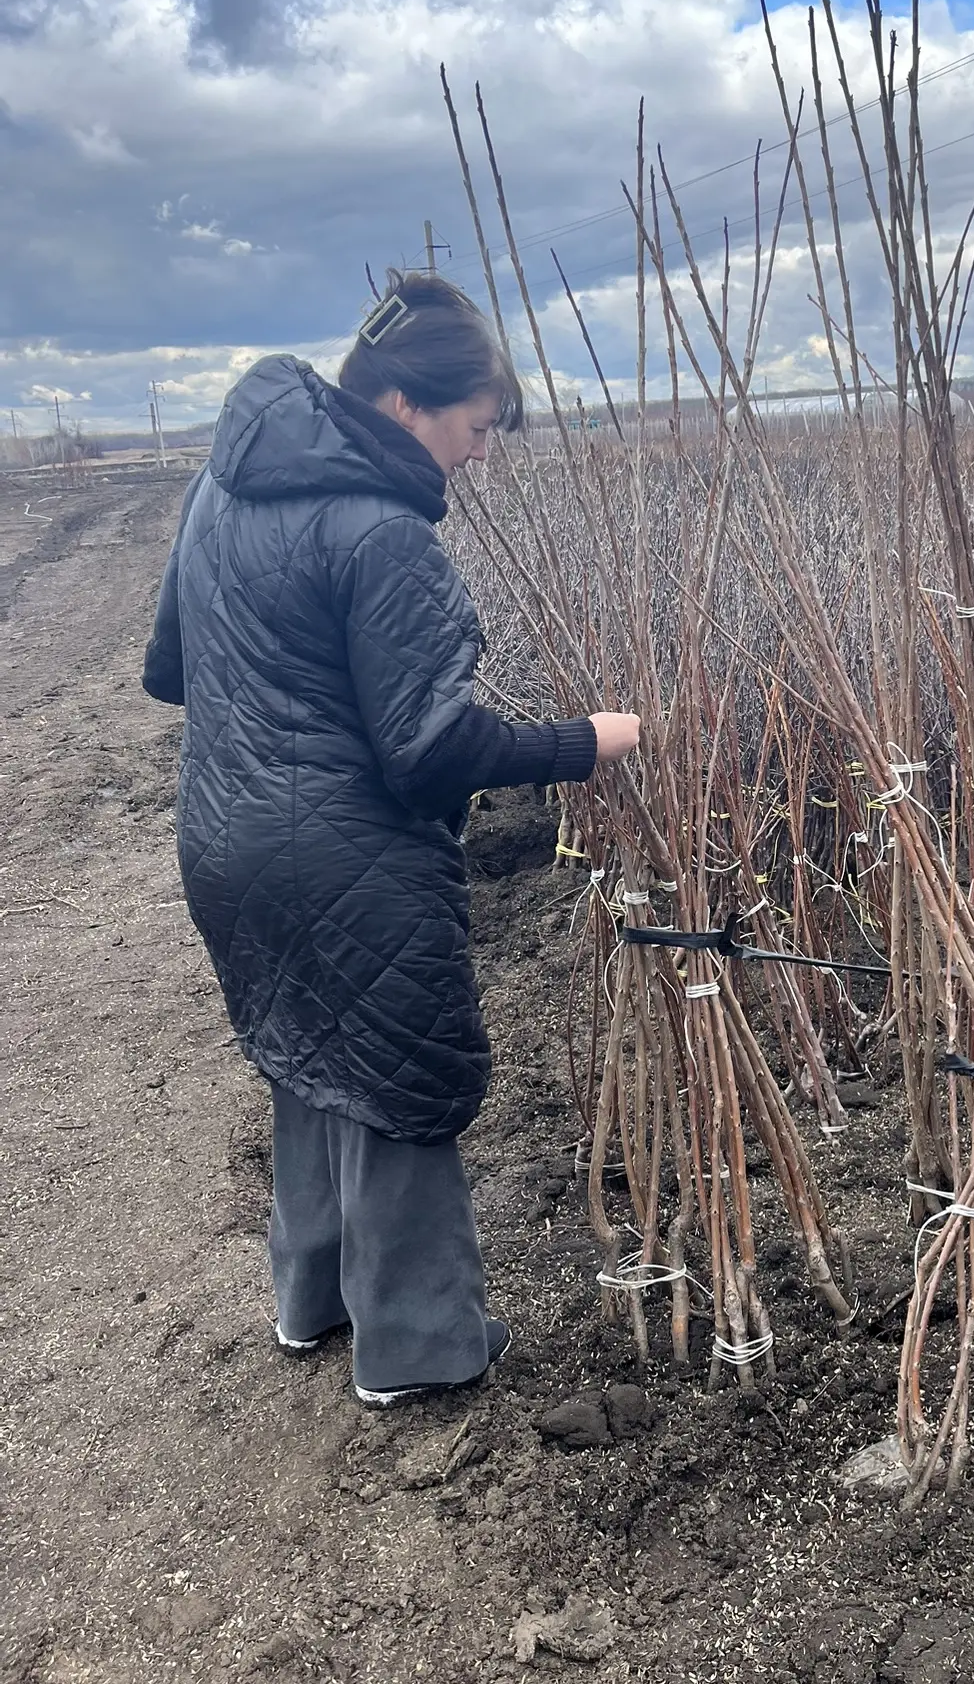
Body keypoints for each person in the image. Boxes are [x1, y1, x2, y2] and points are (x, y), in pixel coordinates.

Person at [142, 270, 640, 1406]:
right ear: (409, 405)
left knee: (309, 1053)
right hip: (347, 855)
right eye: (475, 427)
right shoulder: (381, 532)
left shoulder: (220, 487)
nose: (478, 453)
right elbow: (428, 751)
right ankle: (418, 1349)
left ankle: (308, 1303)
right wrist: (585, 741)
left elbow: (171, 669)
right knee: (404, 1079)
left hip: (222, 838)